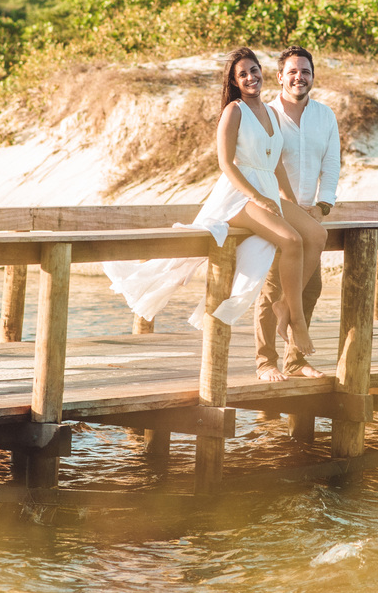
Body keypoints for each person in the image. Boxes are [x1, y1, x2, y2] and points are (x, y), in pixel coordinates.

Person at [103, 47, 326, 358]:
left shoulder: (273, 113)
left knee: (316, 234)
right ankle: (296, 322)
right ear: (234, 82)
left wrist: (288, 201)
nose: (251, 77)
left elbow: (274, 163)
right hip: (237, 199)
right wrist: (257, 196)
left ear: (264, 72)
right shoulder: (233, 111)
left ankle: (285, 306)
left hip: (267, 191)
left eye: (254, 70)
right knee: (291, 240)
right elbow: (226, 164)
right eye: (243, 74)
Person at [254, 45, 341, 381]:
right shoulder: (267, 114)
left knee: (312, 287)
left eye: (305, 71)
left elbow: (331, 163)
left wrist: (323, 204)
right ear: (279, 77)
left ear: (313, 77)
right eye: (292, 71)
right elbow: (265, 165)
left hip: (309, 215)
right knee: (274, 288)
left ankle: (294, 361)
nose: (299, 77)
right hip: (275, 210)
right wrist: (285, 203)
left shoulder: (325, 116)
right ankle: (265, 362)